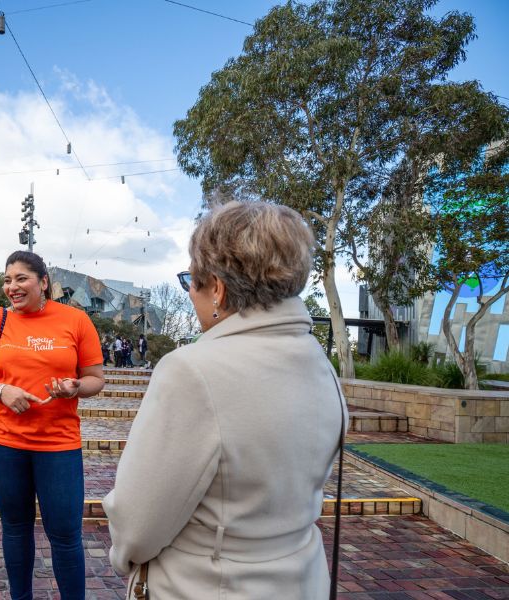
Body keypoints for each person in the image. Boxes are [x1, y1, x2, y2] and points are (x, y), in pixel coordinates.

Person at [104, 201, 347, 599]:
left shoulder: (191, 370)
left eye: (190, 281)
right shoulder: (320, 365)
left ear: (216, 288)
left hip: (208, 585)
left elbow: (138, 522)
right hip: (303, 579)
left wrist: (123, 557)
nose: (190, 295)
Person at [0, 251, 106, 599]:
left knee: (65, 534)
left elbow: (95, 379)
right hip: (4, 442)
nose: (11, 287)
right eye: (7, 279)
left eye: (21, 279)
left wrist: (75, 387)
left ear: (43, 283)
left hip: (59, 445)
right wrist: (2, 391)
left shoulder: (76, 321)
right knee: (15, 528)